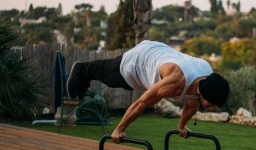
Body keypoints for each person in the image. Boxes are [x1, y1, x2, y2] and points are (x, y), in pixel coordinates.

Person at [67, 40, 230, 143]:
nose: (212, 108)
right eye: (212, 104)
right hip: (138, 61)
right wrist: (120, 129)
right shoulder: (175, 81)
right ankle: (81, 70)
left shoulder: (206, 77)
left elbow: (191, 105)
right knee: (109, 76)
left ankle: (84, 75)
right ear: (204, 93)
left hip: (160, 51)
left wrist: (182, 126)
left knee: (115, 78)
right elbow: (141, 103)